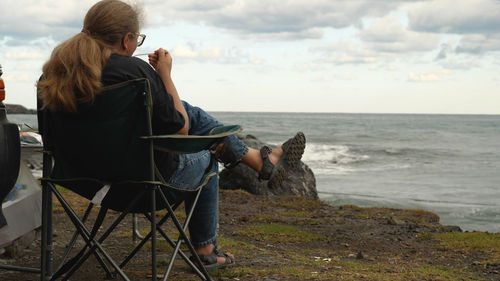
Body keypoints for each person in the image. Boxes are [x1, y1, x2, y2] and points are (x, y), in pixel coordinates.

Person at [37, 0, 305, 269]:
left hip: (83, 184)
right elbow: (181, 128)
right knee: (207, 151)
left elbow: (50, 140)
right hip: (146, 187)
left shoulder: (53, 75)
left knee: (180, 112)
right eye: (138, 39)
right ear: (127, 39)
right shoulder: (135, 72)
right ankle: (206, 250)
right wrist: (164, 75)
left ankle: (258, 161)